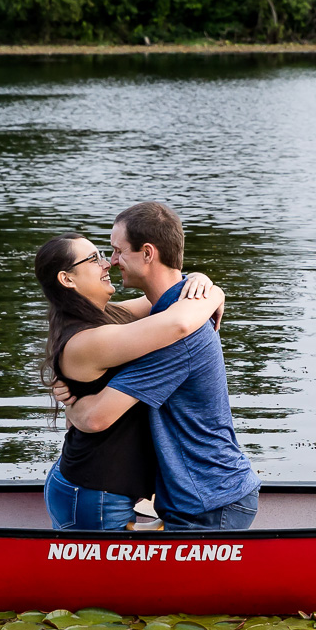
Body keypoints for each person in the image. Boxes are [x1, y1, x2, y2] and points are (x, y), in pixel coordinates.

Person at [58, 202, 260, 531]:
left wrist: (74, 403)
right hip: (194, 495)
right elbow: (91, 330)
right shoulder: (164, 313)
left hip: (210, 500)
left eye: (117, 251)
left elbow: (96, 417)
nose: (111, 261)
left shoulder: (175, 336)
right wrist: (210, 287)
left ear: (148, 253)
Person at [36, 232, 224, 530]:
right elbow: (178, 323)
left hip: (95, 485)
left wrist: (200, 279)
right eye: (93, 258)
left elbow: (166, 298)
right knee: (102, 579)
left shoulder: (109, 316)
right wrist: (214, 295)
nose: (106, 264)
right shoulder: (88, 340)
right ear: (67, 279)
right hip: (95, 491)